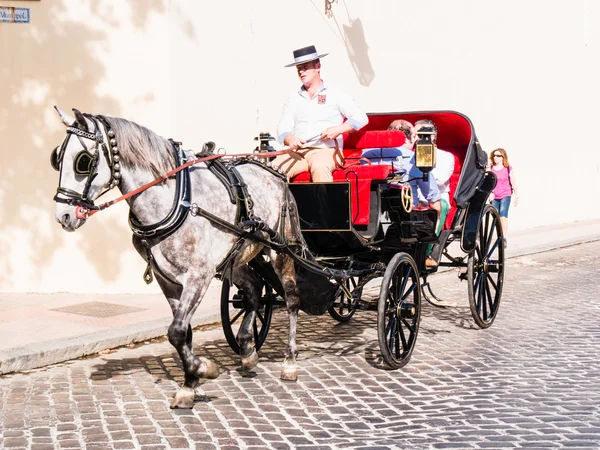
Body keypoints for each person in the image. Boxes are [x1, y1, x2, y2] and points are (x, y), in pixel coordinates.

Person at [272, 45, 368, 182]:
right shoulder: (293, 98)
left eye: (305, 67)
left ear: (318, 66)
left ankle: (326, 204)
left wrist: (338, 129)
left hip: (326, 151)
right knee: (273, 168)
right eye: (299, 69)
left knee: (320, 167)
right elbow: (282, 129)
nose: (301, 72)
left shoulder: (335, 93)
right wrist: (290, 138)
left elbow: (361, 117)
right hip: (298, 152)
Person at [361, 119, 441, 267]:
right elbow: (432, 196)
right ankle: (425, 253)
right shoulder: (413, 159)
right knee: (437, 206)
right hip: (403, 216)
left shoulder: (365, 155)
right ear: (412, 137)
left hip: (367, 213)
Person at [414, 119, 455, 234]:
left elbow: (439, 179)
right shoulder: (409, 155)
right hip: (413, 198)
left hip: (438, 197)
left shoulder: (446, 157)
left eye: (423, 134)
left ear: (433, 136)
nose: (418, 138)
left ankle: (429, 248)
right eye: (416, 135)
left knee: (438, 205)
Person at [489, 148, 518, 245]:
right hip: (494, 196)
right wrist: (490, 193)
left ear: (503, 157)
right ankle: (499, 236)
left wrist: (516, 196)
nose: (495, 157)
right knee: (496, 217)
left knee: (503, 216)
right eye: (494, 155)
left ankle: (503, 237)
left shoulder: (508, 168)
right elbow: (487, 182)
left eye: (498, 156)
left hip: (505, 194)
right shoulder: (491, 168)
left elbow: (513, 182)